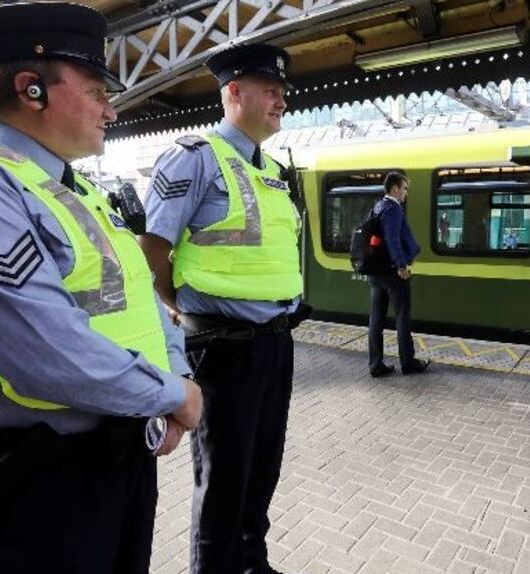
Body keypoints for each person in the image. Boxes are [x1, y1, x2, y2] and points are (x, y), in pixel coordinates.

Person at [0, 4, 202, 573]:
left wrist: (177, 372)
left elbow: (138, 290)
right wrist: (173, 395)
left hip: (114, 457)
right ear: (31, 88)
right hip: (35, 479)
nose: (112, 110)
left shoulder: (73, 189)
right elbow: (42, 351)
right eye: (95, 91)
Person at [139, 43, 306, 574]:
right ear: (233, 91)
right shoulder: (194, 157)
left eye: (283, 92)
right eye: (271, 91)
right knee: (223, 479)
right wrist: (179, 307)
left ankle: (252, 563)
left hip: (275, 343)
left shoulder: (274, 170)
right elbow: (152, 251)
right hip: (222, 348)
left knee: (263, 469)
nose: (282, 100)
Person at [367, 172, 431, 378]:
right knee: (402, 318)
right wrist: (402, 266)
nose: (406, 193)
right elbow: (393, 240)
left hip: (376, 274)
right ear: (394, 189)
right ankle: (408, 362)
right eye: (404, 189)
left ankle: (375, 364)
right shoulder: (393, 209)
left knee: (376, 320)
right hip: (393, 274)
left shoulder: (377, 207)